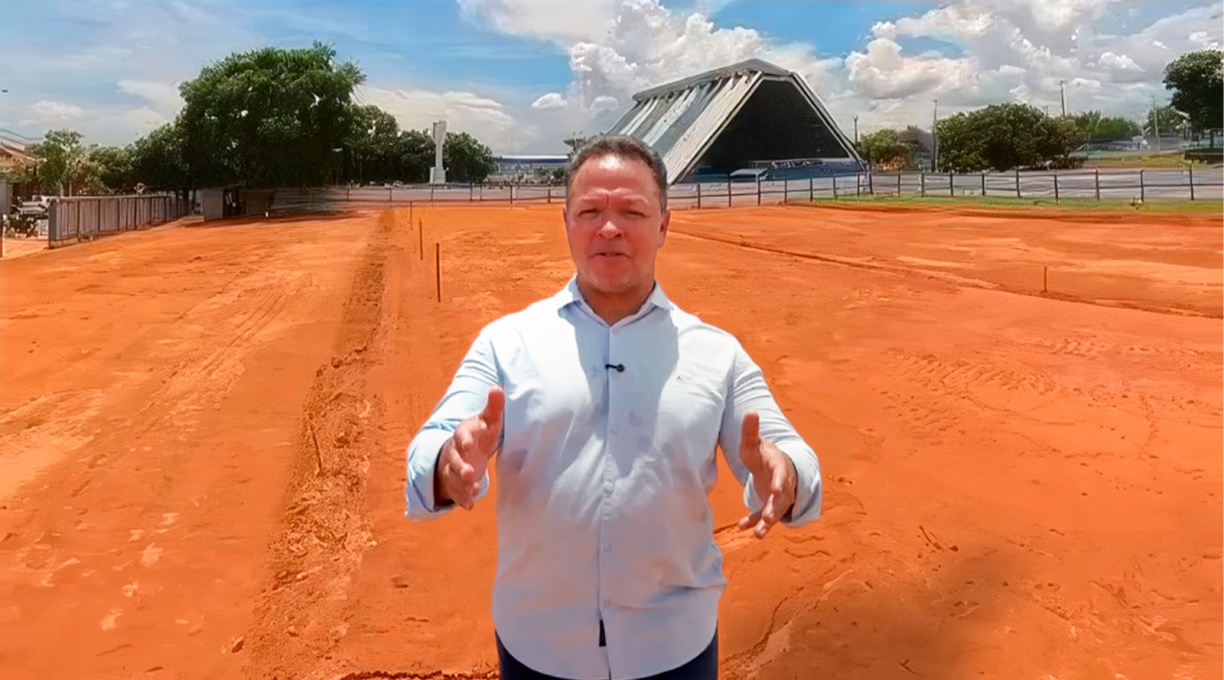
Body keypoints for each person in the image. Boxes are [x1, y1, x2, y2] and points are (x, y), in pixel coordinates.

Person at [405, 135, 823, 680]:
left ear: (665, 226)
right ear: (567, 223)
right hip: (539, 647)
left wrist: (786, 474)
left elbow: (787, 452)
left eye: (631, 211)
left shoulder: (718, 353)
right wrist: (447, 463)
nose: (609, 227)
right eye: (590, 211)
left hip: (674, 648)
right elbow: (430, 445)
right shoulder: (506, 343)